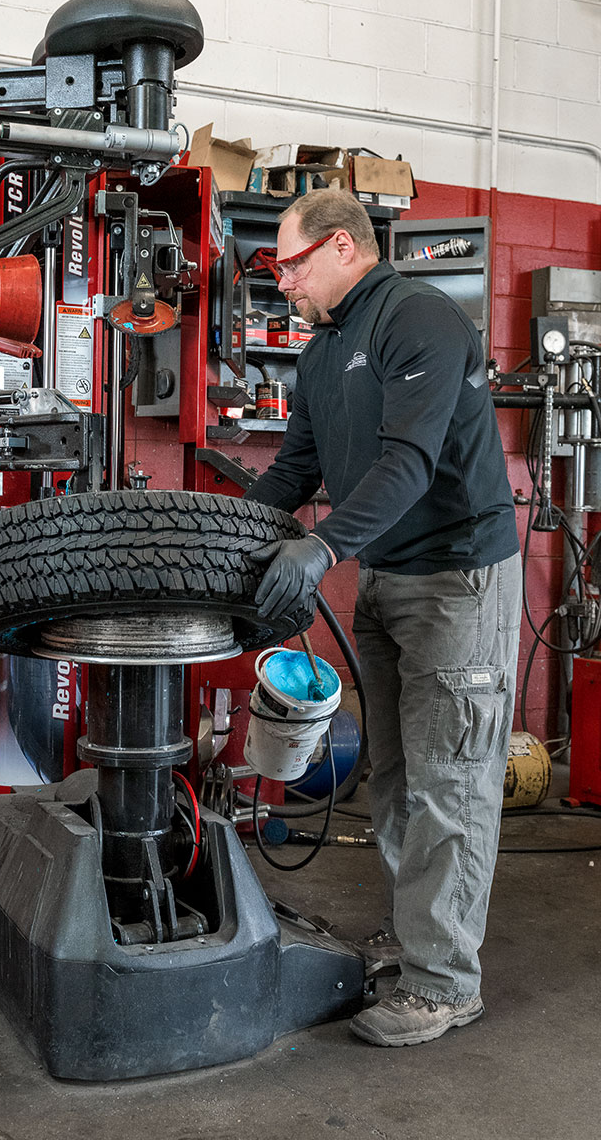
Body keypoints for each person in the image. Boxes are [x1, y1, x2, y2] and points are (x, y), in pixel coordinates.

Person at [245, 187, 522, 1048]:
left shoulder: (418, 318)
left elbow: (409, 463)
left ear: (341, 246)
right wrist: (225, 536)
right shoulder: (323, 349)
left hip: (457, 579)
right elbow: (295, 468)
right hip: (388, 578)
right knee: (398, 780)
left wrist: (323, 549)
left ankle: (445, 985)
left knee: (451, 783)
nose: (283, 282)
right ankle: (416, 944)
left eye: (292, 263)